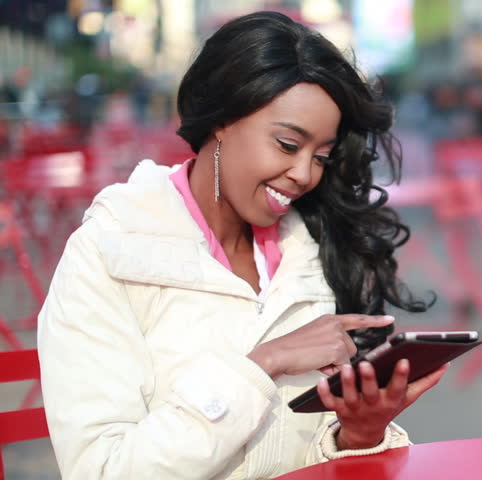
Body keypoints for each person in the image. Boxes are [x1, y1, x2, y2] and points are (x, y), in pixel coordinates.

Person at [37, 12, 447, 479]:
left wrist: (358, 435)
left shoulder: (308, 253)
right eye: (287, 144)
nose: (305, 174)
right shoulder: (110, 251)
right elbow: (103, 471)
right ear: (222, 122)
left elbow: (294, 454)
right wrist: (263, 364)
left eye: (321, 157)